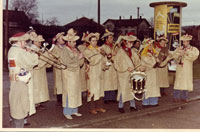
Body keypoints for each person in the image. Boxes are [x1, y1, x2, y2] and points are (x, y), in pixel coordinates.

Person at [8, 32, 39, 125]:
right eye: (25, 41)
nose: (26, 43)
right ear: (20, 41)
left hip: (15, 79)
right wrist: (32, 53)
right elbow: (30, 63)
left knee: (16, 103)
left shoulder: (12, 50)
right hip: (20, 82)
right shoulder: (19, 52)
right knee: (20, 105)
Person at [60, 28, 83, 119]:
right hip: (69, 75)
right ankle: (67, 112)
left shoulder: (74, 50)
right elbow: (68, 63)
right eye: (73, 42)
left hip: (75, 75)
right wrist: (78, 59)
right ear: (68, 42)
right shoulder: (64, 51)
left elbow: (79, 63)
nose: (75, 43)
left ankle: (74, 110)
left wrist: (81, 58)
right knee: (69, 93)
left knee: (76, 92)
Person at [113, 33, 138, 113]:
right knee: (123, 90)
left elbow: (137, 61)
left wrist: (138, 67)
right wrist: (126, 68)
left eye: (132, 42)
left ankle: (132, 105)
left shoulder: (132, 51)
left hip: (131, 73)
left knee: (132, 89)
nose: (131, 44)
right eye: (129, 42)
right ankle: (120, 106)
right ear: (125, 42)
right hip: (123, 75)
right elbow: (116, 64)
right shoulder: (120, 52)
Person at [84, 32, 106, 114]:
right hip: (92, 73)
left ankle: (99, 107)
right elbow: (92, 61)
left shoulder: (99, 49)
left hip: (99, 72)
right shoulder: (87, 51)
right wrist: (99, 53)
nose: (95, 42)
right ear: (89, 42)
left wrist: (105, 64)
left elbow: (103, 60)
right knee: (93, 90)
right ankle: (92, 108)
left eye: (96, 40)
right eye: (93, 41)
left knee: (99, 90)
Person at [173, 34, 199, 102]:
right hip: (180, 67)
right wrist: (178, 56)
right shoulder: (180, 48)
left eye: (186, 41)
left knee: (185, 82)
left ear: (188, 42)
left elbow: (194, 57)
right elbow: (174, 56)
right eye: (183, 42)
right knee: (178, 82)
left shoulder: (193, 49)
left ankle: (184, 97)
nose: (184, 43)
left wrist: (186, 53)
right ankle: (176, 97)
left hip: (187, 67)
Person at [31, 34, 51, 110]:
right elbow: (36, 63)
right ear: (35, 41)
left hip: (41, 72)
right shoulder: (32, 50)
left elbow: (45, 64)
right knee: (36, 88)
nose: (41, 44)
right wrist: (45, 57)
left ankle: (38, 103)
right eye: (39, 42)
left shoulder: (40, 49)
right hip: (35, 72)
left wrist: (48, 58)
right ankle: (35, 104)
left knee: (40, 88)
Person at [140, 38, 160, 107]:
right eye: (149, 45)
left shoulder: (154, 54)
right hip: (148, 73)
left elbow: (159, 61)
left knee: (154, 87)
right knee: (147, 87)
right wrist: (155, 60)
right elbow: (150, 63)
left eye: (151, 45)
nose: (151, 46)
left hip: (154, 73)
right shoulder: (144, 55)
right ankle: (145, 102)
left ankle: (153, 101)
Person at [101, 29, 118, 104]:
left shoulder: (114, 46)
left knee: (113, 81)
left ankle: (113, 97)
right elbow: (104, 56)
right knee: (107, 82)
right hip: (107, 66)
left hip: (114, 66)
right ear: (106, 39)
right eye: (110, 38)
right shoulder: (103, 47)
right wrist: (111, 54)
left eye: (112, 38)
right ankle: (106, 98)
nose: (112, 39)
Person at [49, 32, 66, 104]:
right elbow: (50, 55)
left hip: (65, 67)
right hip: (58, 67)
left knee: (64, 82)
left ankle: (65, 97)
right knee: (59, 83)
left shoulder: (65, 47)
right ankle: (59, 98)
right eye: (61, 38)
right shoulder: (55, 47)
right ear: (57, 40)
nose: (63, 40)